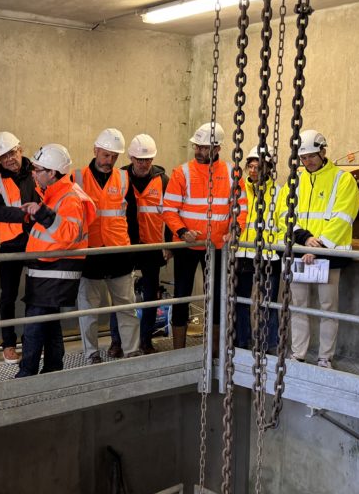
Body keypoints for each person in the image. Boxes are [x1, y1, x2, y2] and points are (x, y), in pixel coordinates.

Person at [277, 130, 359, 368]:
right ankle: (298, 354)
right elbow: (283, 214)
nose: (308, 161)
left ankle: (325, 357)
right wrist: (304, 239)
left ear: (323, 151)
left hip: (328, 255)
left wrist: (320, 246)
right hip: (300, 251)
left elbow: (343, 217)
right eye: (303, 158)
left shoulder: (343, 180)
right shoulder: (294, 181)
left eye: (312, 156)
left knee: (327, 308)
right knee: (299, 306)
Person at [162, 122, 246, 351]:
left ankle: (215, 352)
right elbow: (169, 209)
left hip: (218, 246)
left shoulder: (232, 173)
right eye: (196, 146)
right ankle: (178, 350)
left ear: (217, 148)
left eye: (204, 148)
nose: (198, 151)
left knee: (217, 297)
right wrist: (182, 232)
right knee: (181, 296)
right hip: (186, 246)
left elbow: (241, 208)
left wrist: (235, 231)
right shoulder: (182, 172)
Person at [16, 144, 96, 378]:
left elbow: (70, 233)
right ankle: (53, 370)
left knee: (35, 324)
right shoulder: (56, 194)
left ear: (52, 173)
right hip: (47, 269)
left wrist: (42, 213)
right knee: (50, 324)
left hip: (55, 271)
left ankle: (27, 374)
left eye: (38, 169)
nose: (33, 174)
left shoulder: (69, 197)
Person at [75, 128, 141, 363]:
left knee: (127, 307)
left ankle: (132, 351)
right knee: (89, 309)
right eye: (105, 155)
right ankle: (91, 353)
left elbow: (132, 217)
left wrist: (133, 252)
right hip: (90, 253)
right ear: (95, 150)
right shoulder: (77, 178)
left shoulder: (123, 179)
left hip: (119, 253)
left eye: (114, 157)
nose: (109, 161)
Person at [109, 134, 171, 355]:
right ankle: (117, 341)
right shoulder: (120, 178)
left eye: (148, 160)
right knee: (120, 297)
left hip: (152, 247)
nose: (144, 164)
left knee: (150, 296)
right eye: (139, 159)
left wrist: (169, 244)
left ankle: (146, 340)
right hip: (124, 245)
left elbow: (171, 214)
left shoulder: (163, 181)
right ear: (131, 158)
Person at [0, 131, 37, 365]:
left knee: (36, 295)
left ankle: (31, 340)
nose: (9, 159)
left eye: (12, 153)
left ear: (20, 149)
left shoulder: (37, 172)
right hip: (11, 244)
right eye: (3, 156)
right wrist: (24, 215)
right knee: (7, 296)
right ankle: (8, 344)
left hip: (37, 242)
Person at [235, 145, 282, 350]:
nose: (253, 171)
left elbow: (283, 224)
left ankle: (269, 345)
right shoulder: (239, 190)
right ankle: (241, 342)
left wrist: (275, 245)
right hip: (242, 253)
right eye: (251, 167)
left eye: (259, 167)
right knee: (240, 301)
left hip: (269, 255)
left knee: (268, 303)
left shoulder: (278, 192)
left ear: (268, 168)